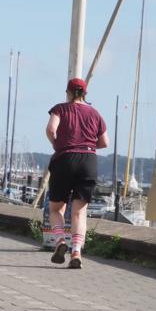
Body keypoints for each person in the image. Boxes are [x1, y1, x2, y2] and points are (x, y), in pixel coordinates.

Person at [45, 78, 109, 269]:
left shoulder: (60, 109)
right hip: (88, 161)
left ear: (68, 92)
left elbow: (50, 129)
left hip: (65, 159)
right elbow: (105, 142)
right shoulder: (95, 113)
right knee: (79, 213)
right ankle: (76, 252)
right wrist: (88, 144)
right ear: (85, 93)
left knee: (56, 208)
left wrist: (56, 142)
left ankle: (60, 241)